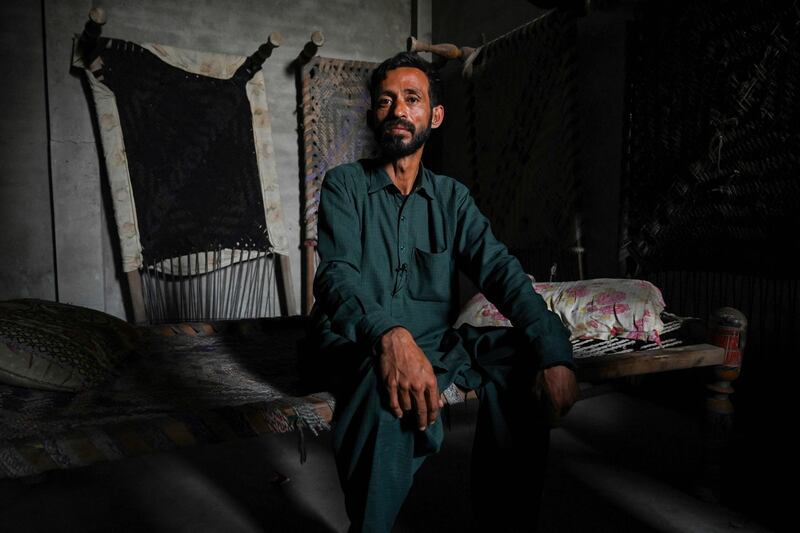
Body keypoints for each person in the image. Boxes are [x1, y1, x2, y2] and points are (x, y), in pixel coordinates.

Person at [310, 51, 579, 533]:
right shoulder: (344, 185)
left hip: (434, 344)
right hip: (357, 341)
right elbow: (335, 277)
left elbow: (500, 270)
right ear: (375, 114)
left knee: (520, 358)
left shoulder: (452, 198)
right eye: (386, 100)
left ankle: (505, 521)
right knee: (382, 387)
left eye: (411, 99)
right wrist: (389, 335)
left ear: (434, 115)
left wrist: (553, 349)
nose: (397, 110)